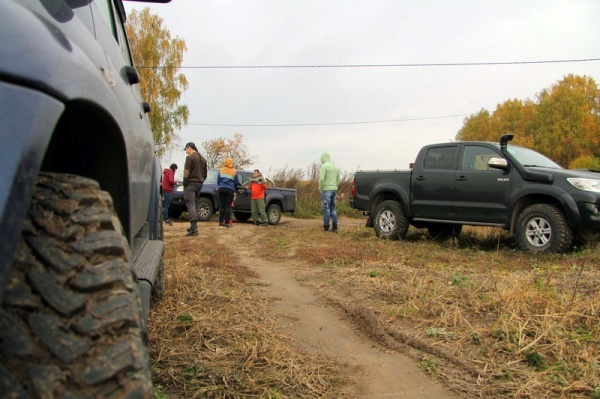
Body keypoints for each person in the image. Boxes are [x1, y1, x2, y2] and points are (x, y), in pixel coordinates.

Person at [183, 142, 207, 236]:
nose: (186, 152)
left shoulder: (190, 157)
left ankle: (194, 228)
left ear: (189, 148)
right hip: (199, 184)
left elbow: (186, 172)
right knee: (194, 203)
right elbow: (205, 174)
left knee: (190, 204)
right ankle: (193, 226)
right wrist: (200, 181)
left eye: (186, 149)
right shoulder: (203, 159)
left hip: (191, 183)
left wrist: (185, 182)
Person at [319, 152, 342, 232]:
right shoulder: (335, 166)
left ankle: (326, 227)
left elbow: (321, 179)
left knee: (326, 208)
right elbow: (339, 179)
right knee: (333, 208)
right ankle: (335, 227)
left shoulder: (324, 166)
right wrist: (335, 186)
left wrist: (320, 188)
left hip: (326, 190)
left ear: (323, 158)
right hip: (334, 190)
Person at [217, 157, 240, 227]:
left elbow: (218, 180)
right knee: (228, 206)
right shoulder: (234, 171)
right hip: (230, 189)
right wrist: (234, 189)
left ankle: (221, 222)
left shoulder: (221, 170)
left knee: (222, 206)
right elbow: (237, 182)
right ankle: (227, 222)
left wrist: (221, 185)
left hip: (221, 188)